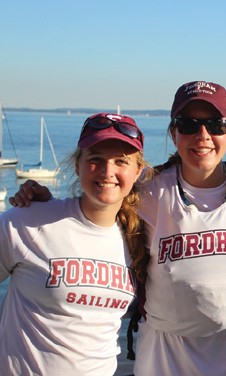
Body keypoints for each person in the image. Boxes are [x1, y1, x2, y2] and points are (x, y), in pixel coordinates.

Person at [10, 81, 226, 376]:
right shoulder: (149, 189)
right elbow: (96, 209)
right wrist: (45, 205)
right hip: (163, 362)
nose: (202, 135)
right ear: (173, 133)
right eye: (188, 124)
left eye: (215, 124)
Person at [0, 113, 148, 375]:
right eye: (95, 160)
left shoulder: (140, 239)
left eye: (120, 162)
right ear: (78, 165)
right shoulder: (27, 222)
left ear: (138, 171)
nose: (107, 172)